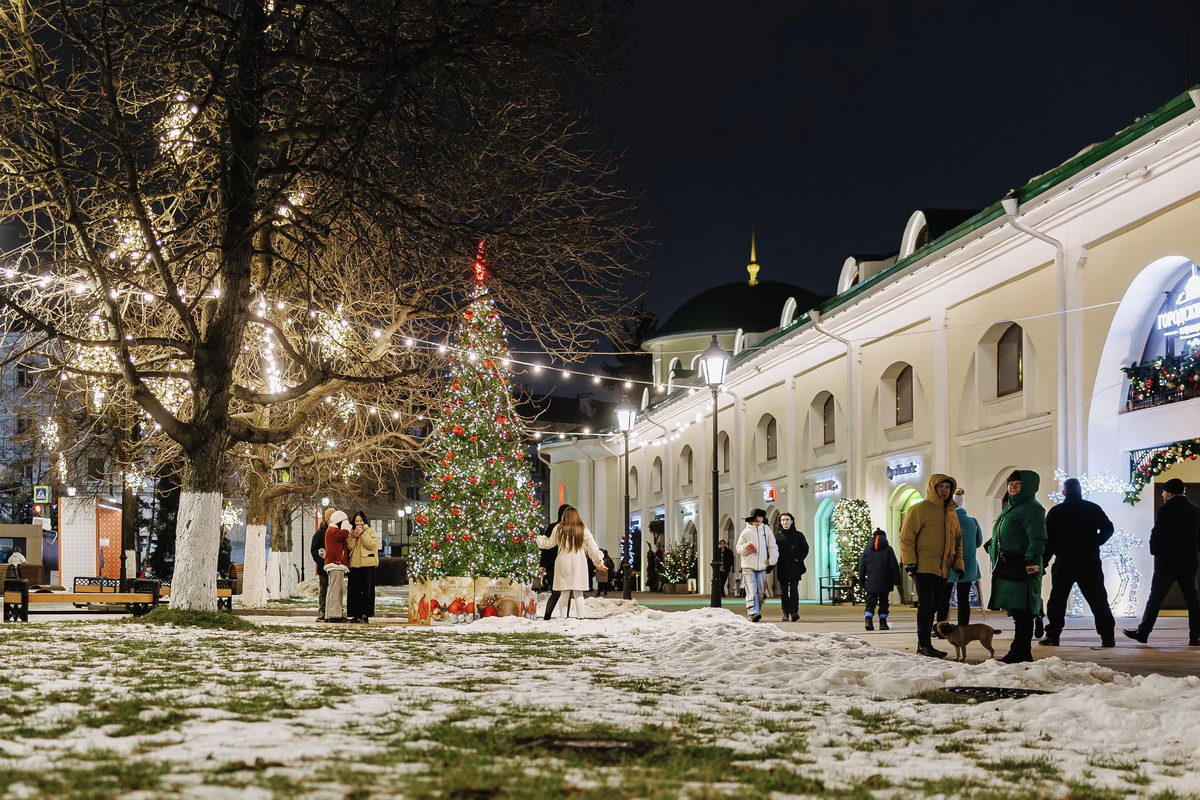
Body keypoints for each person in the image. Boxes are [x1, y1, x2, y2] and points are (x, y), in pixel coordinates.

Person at [1123, 478, 1200, 646]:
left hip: (1167, 562)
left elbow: (1159, 533)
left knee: (1156, 598)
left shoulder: (1165, 510)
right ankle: (1196, 637)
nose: (1162, 494)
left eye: (1164, 491)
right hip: (1188, 562)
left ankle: (1143, 633)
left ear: (1169, 492)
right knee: (1193, 600)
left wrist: (1155, 552)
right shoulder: (1196, 510)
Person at [1042, 478, 1116, 647]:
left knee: (1057, 600)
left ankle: (1053, 635)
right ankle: (1107, 636)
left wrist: (1044, 562)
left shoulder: (1056, 512)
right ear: (1081, 491)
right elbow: (1108, 528)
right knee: (1098, 599)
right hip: (1089, 561)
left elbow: (1049, 541)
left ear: (1064, 492)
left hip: (1064, 561)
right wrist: (1096, 542)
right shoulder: (1093, 508)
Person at [899, 473, 965, 658]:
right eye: (940, 487)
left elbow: (958, 541)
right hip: (922, 566)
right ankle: (925, 645)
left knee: (935, 605)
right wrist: (910, 561)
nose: (944, 491)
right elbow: (906, 537)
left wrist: (958, 563)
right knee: (926, 603)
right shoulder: (919, 509)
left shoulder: (952, 514)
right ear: (932, 489)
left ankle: (925, 643)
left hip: (943, 568)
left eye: (947, 487)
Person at [988, 470, 1047, 664]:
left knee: (1023, 610)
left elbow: (1038, 538)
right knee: (1017, 610)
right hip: (1009, 567)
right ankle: (1020, 650)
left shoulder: (1032, 508)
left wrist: (1030, 560)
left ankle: (1021, 651)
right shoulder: (1011, 508)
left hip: (1021, 567)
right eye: (1011, 483)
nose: (1013, 487)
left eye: (1018, 484)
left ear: (1028, 486)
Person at [536, 506, 605, 619]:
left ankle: (564, 617)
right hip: (579, 561)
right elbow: (593, 548)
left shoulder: (559, 528)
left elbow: (548, 543)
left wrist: (538, 539)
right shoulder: (583, 529)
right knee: (579, 593)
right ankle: (580, 617)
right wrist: (599, 562)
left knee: (564, 592)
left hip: (562, 560)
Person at [938, 492, 983, 630]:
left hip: (950, 564)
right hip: (969, 566)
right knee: (964, 598)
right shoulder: (973, 521)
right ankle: (963, 627)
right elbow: (979, 542)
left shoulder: (949, 520)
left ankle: (941, 626)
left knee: (944, 597)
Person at [736, 508, 778, 622]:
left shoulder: (766, 530)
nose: (760, 519)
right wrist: (746, 547)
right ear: (753, 518)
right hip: (748, 566)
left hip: (762, 566)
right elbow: (738, 548)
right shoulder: (746, 532)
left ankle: (757, 611)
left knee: (760, 592)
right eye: (758, 517)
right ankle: (753, 612)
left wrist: (772, 559)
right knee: (752, 590)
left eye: (761, 517)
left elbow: (772, 545)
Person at [858, 528, 901, 630]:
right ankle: (882, 623)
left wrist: (861, 583)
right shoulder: (888, 550)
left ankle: (868, 621)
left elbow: (862, 568)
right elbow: (894, 566)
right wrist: (897, 581)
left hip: (871, 583)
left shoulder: (867, 551)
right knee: (883, 603)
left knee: (870, 603)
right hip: (885, 583)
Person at [774, 512, 809, 622]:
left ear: (792, 521)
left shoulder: (798, 535)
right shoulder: (776, 536)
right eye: (783, 520)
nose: (785, 522)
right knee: (783, 590)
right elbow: (772, 549)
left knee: (794, 589)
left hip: (795, 566)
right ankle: (785, 612)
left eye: (787, 520)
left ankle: (794, 612)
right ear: (780, 522)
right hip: (782, 565)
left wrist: (798, 558)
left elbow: (805, 548)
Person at [346, 511, 380, 624]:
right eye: (356, 521)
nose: (358, 523)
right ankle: (356, 614)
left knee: (367, 591)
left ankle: (366, 614)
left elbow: (372, 545)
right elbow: (349, 547)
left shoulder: (371, 531)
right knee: (354, 591)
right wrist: (354, 537)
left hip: (367, 565)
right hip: (354, 566)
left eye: (360, 520)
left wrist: (362, 534)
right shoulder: (351, 532)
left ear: (364, 521)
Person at [323, 509, 351, 623]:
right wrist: (346, 523)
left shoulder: (331, 531)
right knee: (336, 590)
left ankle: (330, 614)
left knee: (333, 589)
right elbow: (344, 534)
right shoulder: (333, 531)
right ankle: (335, 615)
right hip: (336, 565)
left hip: (334, 565)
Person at [310, 508, 334, 621]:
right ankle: (323, 610)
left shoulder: (335, 532)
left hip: (335, 566)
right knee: (324, 589)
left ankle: (333, 610)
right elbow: (314, 550)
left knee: (334, 589)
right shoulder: (319, 534)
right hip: (324, 567)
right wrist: (321, 561)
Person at [539, 505, 567, 593]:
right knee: (561, 591)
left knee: (558, 591)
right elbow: (546, 546)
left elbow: (546, 546)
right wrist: (542, 564)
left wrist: (543, 564)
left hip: (554, 561)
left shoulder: (554, 527)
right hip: (555, 561)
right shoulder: (554, 527)